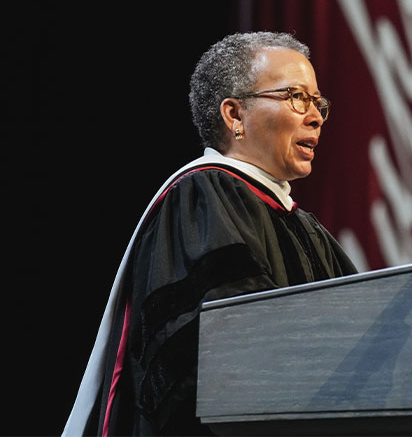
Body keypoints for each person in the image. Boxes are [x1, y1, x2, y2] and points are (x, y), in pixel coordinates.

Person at [63, 32, 358, 436]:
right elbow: (215, 351)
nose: (316, 116)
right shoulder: (203, 196)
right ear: (234, 115)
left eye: (318, 102)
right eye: (296, 97)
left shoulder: (306, 228)